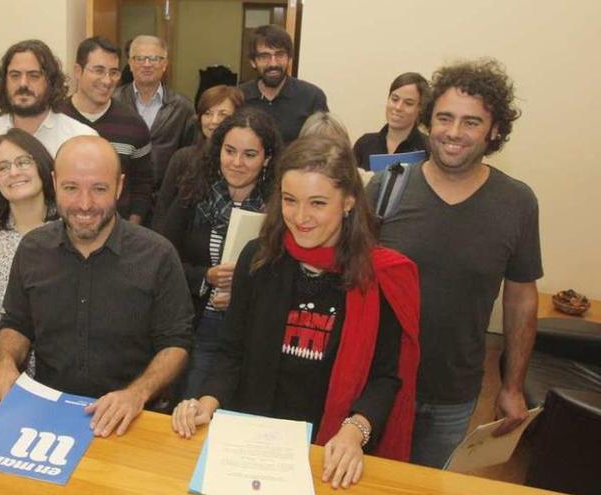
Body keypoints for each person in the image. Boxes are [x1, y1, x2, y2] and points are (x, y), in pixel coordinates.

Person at [171, 135, 420, 490]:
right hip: (255, 443)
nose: (300, 217)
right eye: (290, 201)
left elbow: (385, 377)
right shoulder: (258, 259)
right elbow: (232, 352)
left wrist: (354, 431)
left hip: (329, 449)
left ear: (348, 200)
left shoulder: (379, 276)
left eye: (317, 203)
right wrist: (208, 402)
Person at [367, 59, 542, 468]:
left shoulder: (517, 203)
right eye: (444, 118)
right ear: (429, 121)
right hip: (377, 386)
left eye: (471, 122)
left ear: (495, 130)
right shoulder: (387, 186)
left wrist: (513, 386)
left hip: (454, 394)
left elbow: (520, 300)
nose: (454, 133)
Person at [0, 136, 193, 438]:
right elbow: (16, 324)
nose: (84, 204)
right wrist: (4, 363)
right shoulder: (32, 249)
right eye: (71, 188)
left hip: (132, 419)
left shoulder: (158, 255)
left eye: (99, 189)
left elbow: (176, 345)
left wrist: (136, 394)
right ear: (54, 183)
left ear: (119, 186)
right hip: (48, 412)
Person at [159, 107, 282, 398]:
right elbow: (164, 258)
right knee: (193, 404)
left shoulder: (280, 206)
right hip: (202, 324)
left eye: (250, 155)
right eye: (230, 151)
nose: (237, 163)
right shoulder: (194, 193)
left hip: (254, 333)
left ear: (267, 159)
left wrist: (244, 288)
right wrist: (206, 277)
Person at [0, 39, 96, 240]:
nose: (23, 84)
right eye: (15, 76)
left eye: (34, 75)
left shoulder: (81, 138)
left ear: (50, 81)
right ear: (4, 82)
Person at [61, 36, 153, 224]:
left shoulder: (134, 125)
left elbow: (143, 185)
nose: (107, 80)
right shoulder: (54, 119)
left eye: (114, 73)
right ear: (78, 71)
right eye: (99, 71)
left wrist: (130, 228)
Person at [0, 129, 57, 307]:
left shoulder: (71, 225)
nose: (13, 173)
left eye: (23, 162)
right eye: (3, 167)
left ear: (42, 165)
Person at [153, 85, 245, 229]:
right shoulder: (183, 158)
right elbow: (162, 210)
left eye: (223, 114)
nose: (214, 121)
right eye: (207, 113)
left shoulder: (243, 163)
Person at [113, 35, 194, 189]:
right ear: (130, 64)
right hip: (121, 194)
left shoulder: (183, 107)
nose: (147, 64)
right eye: (140, 58)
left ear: (165, 64)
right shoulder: (112, 102)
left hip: (166, 195)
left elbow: (190, 159)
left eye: (154, 58)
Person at [239, 25, 328, 145]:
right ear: (253, 62)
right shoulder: (239, 97)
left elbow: (324, 146)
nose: (273, 63)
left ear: (289, 59)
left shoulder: (312, 97)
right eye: (264, 56)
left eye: (280, 55)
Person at [353, 72, 429, 171]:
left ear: (420, 108)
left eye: (408, 103)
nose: (398, 107)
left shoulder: (428, 148)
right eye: (394, 99)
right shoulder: (364, 144)